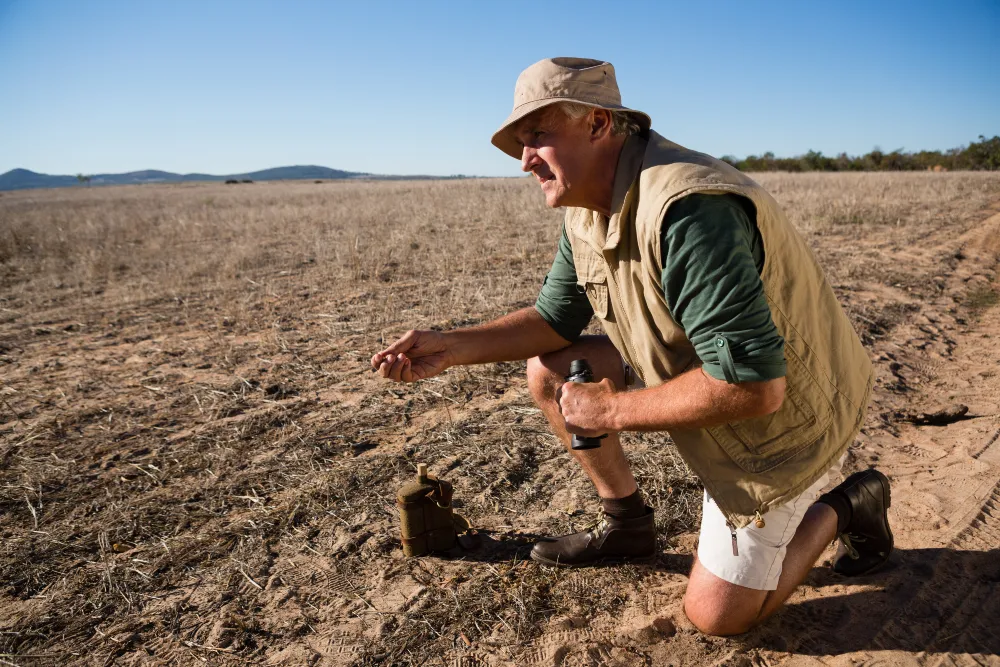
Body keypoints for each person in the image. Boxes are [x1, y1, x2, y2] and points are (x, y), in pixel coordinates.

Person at [370, 57, 893, 636]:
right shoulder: (588, 207)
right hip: (713, 382)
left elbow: (754, 385)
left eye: (538, 135)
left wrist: (612, 409)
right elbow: (553, 321)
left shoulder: (690, 211)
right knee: (551, 370)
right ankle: (627, 525)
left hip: (787, 423)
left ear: (598, 124)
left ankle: (847, 503)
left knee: (718, 618)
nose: (524, 161)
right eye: (521, 143)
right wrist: (450, 346)